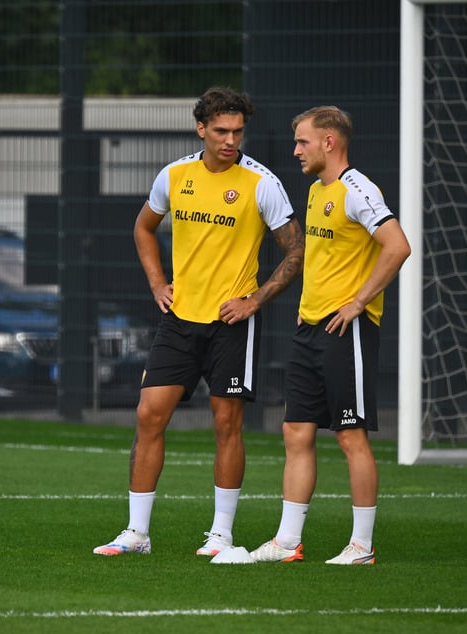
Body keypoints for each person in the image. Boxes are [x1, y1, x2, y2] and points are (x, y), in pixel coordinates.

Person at [93, 86, 305, 557]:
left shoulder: (261, 182)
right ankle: (137, 533)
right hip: (180, 320)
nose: (231, 140)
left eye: (238, 131)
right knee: (149, 415)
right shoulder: (174, 175)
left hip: (231, 324)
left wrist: (255, 300)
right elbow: (143, 227)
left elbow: (297, 250)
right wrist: (156, 283)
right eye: (222, 131)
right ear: (201, 129)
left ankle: (221, 534)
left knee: (226, 423)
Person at [249, 105, 411, 565]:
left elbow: (398, 246)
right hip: (311, 328)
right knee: (296, 431)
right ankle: (286, 543)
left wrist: (358, 302)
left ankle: (361, 546)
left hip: (348, 331)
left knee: (350, 436)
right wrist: (308, 308)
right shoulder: (316, 190)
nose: (295, 149)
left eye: (302, 141)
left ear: (329, 142)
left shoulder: (358, 189)